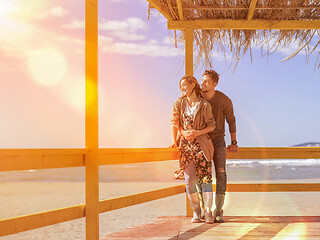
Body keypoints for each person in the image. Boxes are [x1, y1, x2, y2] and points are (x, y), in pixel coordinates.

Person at [170, 75, 216, 223]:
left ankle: (208, 213)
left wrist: (197, 133)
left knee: (205, 179)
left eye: (184, 85)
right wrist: (177, 138)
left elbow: (212, 125)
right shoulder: (179, 103)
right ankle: (196, 212)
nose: (182, 89)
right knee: (189, 180)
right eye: (180, 87)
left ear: (192, 84)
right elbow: (175, 121)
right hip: (185, 147)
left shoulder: (204, 105)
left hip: (202, 146)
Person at [201, 70, 238, 223]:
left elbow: (231, 121)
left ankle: (218, 210)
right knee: (204, 175)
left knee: (221, 173)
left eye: (206, 82)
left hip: (218, 141)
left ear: (214, 84)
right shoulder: (198, 98)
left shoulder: (224, 100)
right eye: (202, 81)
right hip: (202, 141)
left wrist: (234, 142)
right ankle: (206, 210)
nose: (203, 84)